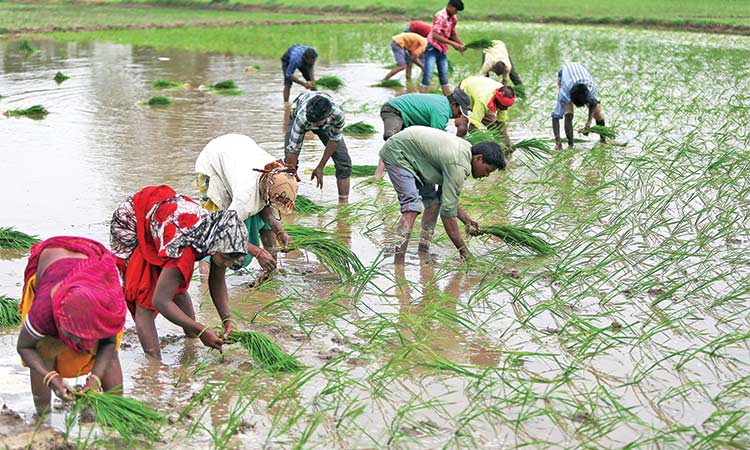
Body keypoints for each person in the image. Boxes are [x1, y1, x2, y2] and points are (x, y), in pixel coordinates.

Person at [110, 185, 248, 360]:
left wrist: (228, 319)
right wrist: (202, 329)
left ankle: (190, 340)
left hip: (163, 217)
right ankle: (154, 366)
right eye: (227, 259)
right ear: (215, 250)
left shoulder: (218, 236)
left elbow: (217, 281)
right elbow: (160, 301)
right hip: (133, 222)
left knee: (174, 284)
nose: (228, 264)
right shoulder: (184, 247)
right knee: (144, 296)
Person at [16, 236, 127, 415]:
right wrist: (50, 377)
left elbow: (108, 343)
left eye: (84, 337)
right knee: (43, 351)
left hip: (92, 261)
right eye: (70, 334)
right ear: (60, 320)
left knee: (111, 356)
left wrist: (95, 379)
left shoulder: (107, 308)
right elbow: (25, 347)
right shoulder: (44, 311)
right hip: (52, 261)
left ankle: (117, 411)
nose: (75, 343)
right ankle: (42, 419)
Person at [379, 126, 505, 258]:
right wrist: (464, 252)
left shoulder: (466, 153)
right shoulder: (459, 165)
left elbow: (446, 198)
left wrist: (467, 220)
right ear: (478, 158)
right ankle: (398, 264)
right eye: (487, 170)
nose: (486, 175)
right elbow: (448, 213)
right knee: (411, 207)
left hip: (419, 156)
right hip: (399, 152)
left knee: (434, 204)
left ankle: (423, 251)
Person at [195, 133, 299, 277]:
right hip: (213, 162)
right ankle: (205, 282)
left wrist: (280, 232)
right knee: (214, 228)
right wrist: (258, 252)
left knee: (263, 217)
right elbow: (223, 229)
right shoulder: (245, 198)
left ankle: (270, 273)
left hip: (237, 150)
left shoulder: (276, 172)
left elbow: (266, 206)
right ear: (265, 190)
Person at [374, 88, 471, 177]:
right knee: (391, 141)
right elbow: (436, 141)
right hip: (394, 110)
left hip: (407, 117)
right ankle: (377, 176)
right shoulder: (442, 111)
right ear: (454, 104)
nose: (458, 116)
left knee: (404, 146)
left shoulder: (443, 103)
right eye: (459, 112)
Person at [285, 91, 352, 201]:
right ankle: (288, 199)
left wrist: (320, 167)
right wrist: (291, 174)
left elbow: (334, 140)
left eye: (315, 123)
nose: (311, 126)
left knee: (344, 162)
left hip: (325, 125)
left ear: (328, 115)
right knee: (288, 163)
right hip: (297, 115)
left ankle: (343, 203)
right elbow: (294, 149)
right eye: (311, 122)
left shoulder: (337, 115)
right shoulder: (303, 118)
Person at [552, 62, 606, 150]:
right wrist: (558, 142)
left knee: (598, 113)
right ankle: (571, 145)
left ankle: (603, 140)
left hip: (581, 68)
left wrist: (588, 125)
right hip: (564, 74)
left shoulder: (591, 88)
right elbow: (555, 117)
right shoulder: (564, 93)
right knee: (568, 114)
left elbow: (594, 103)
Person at [459, 75, 517, 152]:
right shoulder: (483, 101)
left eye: (507, 107)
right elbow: (472, 128)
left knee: (494, 127)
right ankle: (459, 148)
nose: (504, 109)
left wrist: (507, 143)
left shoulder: (504, 94)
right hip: (464, 92)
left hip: (479, 89)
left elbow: (500, 124)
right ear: (497, 100)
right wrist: (487, 142)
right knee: (462, 127)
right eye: (503, 106)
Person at [420, 0, 465, 96]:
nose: (456, 12)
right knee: (428, 76)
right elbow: (435, 35)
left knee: (444, 78)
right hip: (432, 48)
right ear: (450, 6)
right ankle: (418, 101)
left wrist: (461, 44)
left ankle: (449, 102)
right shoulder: (440, 16)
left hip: (442, 49)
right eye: (456, 10)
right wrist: (453, 44)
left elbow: (452, 34)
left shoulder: (453, 18)